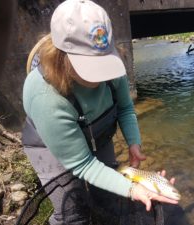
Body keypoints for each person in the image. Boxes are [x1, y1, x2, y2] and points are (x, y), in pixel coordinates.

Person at [22, 0, 178, 224]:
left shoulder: (113, 70)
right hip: (49, 146)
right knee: (71, 213)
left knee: (106, 195)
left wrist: (134, 143)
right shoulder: (45, 97)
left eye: (103, 64)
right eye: (90, 67)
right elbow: (83, 164)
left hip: (99, 132)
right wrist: (133, 190)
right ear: (62, 58)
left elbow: (125, 108)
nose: (101, 76)